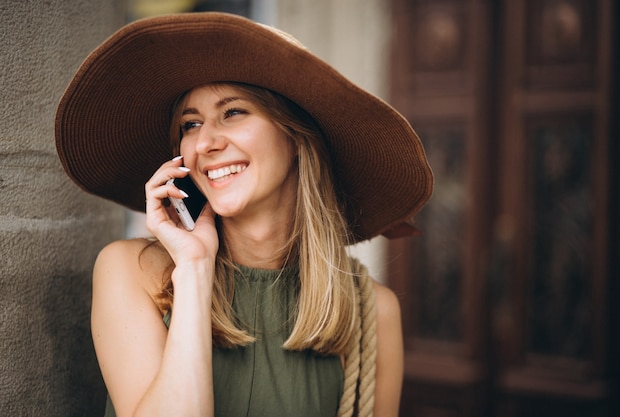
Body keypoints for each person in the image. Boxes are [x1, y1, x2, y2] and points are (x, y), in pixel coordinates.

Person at [55, 12, 433, 417]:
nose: (205, 143)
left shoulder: (370, 311)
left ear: (296, 139)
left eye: (233, 112)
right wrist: (196, 268)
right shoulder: (133, 272)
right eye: (191, 123)